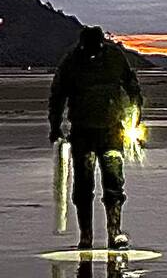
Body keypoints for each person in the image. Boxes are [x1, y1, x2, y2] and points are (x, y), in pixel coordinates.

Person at [48, 26, 144, 248]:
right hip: (82, 131)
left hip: (111, 130)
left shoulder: (114, 57)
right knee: (84, 186)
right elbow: (58, 93)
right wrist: (55, 125)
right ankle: (86, 235)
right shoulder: (72, 60)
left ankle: (114, 231)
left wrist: (136, 113)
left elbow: (131, 85)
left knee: (113, 184)